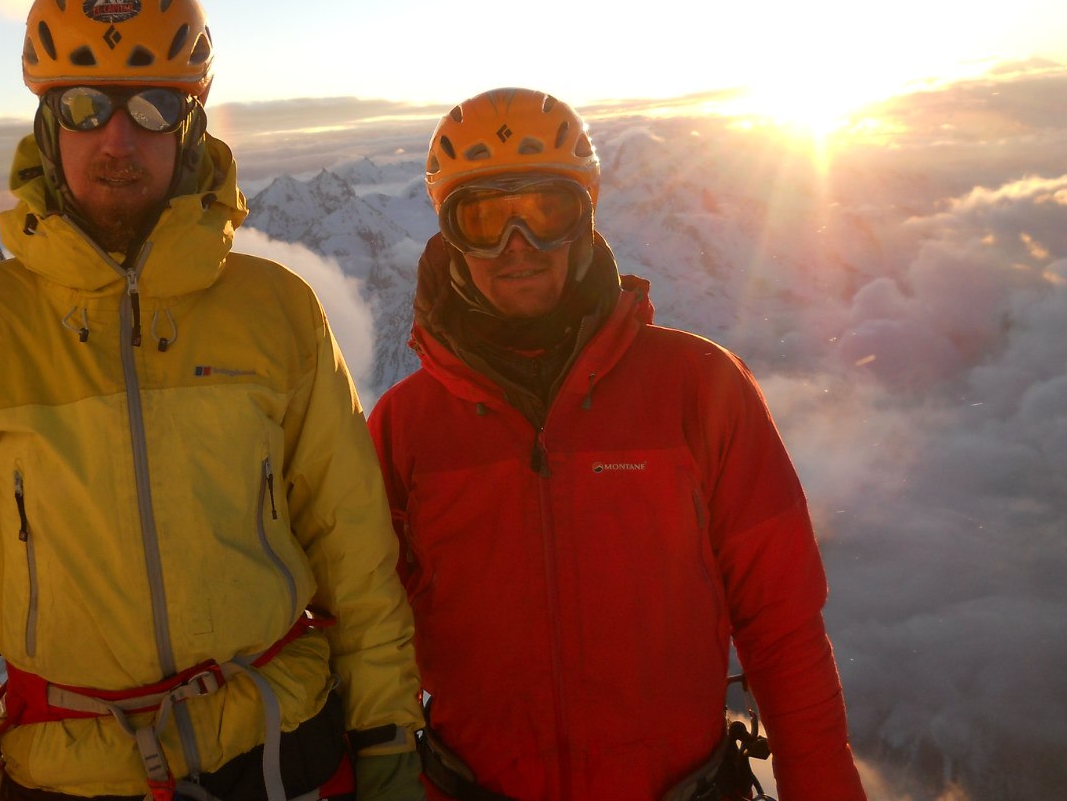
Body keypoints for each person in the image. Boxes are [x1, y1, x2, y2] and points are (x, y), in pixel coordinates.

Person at [0, 0, 425, 801]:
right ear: (50, 126)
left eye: (155, 106)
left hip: (280, 749)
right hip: (69, 768)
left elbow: (353, 546)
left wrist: (387, 730)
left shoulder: (278, 310)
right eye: (86, 106)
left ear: (192, 124)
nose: (118, 139)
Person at [367, 87, 868, 800]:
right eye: (483, 219)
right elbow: (361, 635)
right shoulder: (404, 428)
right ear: (449, 233)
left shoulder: (700, 390)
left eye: (545, 211)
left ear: (585, 215)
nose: (519, 246)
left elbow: (783, 624)